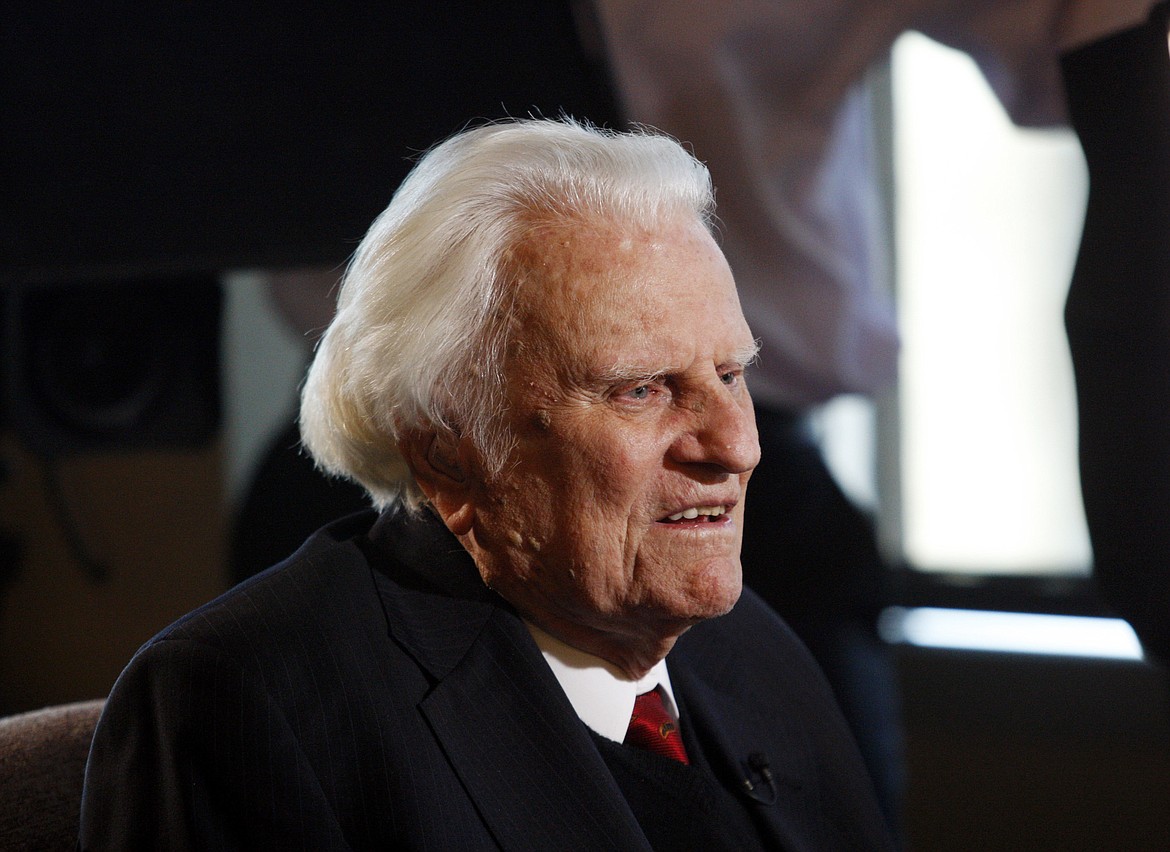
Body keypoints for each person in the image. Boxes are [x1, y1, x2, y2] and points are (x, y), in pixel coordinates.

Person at [79, 119, 896, 850]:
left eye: (730, 373)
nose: (738, 446)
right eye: (641, 389)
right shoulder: (244, 706)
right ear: (446, 452)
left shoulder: (750, 648)